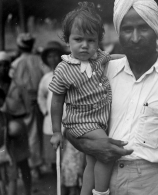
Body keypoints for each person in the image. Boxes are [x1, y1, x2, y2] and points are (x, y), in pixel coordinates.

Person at [64, 0, 158, 195]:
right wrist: (90, 146)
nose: (135, 38)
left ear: (157, 30)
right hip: (101, 182)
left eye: (143, 28)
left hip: (150, 186)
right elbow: (71, 126)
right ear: (118, 32)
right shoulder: (101, 73)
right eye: (127, 29)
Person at [49, 2, 123, 195]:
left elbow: (112, 57)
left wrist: (130, 57)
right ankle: (101, 193)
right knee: (106, 153)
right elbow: (56, 101)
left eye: (91, 40)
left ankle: (86, 192)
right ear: (68, 40)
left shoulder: (98, 57)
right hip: (81, 122)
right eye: (78, 39)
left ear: (98, 41)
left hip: (98, 121)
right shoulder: (64, 69)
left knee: (92, 162)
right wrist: (57, 132)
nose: (85, 45)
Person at [9, 33, 50, 178]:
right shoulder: (40, 61)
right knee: (38, 133)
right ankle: (38, 165)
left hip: (24, 102)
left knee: (31, 134)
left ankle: (35, 166)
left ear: (20, 46)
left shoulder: (15, 64)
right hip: (38, 100)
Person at [0, 51, 32, 195]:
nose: (3, 69)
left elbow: (28, 108)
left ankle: (27, 191)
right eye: (0, 65)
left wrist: (17, 122)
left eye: (5, 65)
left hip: (16, 126)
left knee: (22, 161)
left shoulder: (18, 84)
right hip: (1, 129)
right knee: (4, 163)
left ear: (9, 67)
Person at [38, 41, 65, 174]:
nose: (53, 59)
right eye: (50, 57)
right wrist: (45, 110)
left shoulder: (68, 74)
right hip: (50, 119)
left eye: (56, 56)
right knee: (54, 152)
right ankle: (56, 173)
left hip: (66, 118)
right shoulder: (46, 78)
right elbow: (41, 96)